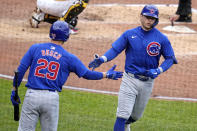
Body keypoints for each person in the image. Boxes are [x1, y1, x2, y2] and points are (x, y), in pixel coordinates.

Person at [10, 20, 123, 131]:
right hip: (51, 99)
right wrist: (106, 74)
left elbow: (20, 70)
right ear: (67, 36)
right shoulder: (69, 57)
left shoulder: (35, 48)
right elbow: (87, 74)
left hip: (32, 95)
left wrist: (14, 90)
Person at [88, 5, 178, 131]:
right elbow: (115, 50)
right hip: (129, 80)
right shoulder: (129, 34)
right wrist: (103, 59)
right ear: (141, 16)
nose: (149, 20)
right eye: (147, 17)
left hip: (148, 82)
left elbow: (170, 58)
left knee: (135, 117)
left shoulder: (161, 38)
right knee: (122, 115)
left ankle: (126, 124)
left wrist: (159, 70)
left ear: (156, 20)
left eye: (152, 18)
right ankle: (123, 123)